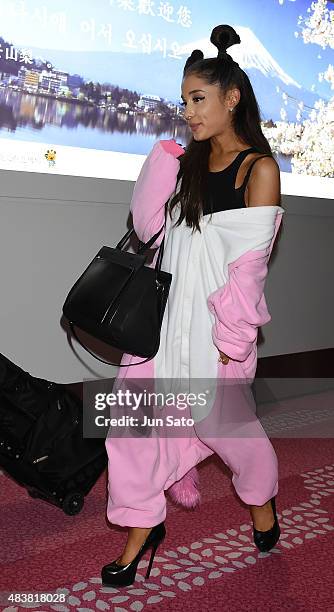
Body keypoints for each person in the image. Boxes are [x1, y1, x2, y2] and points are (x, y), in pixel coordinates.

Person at [102, 24, 285, 587]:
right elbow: (145, 227)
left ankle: (261, 504)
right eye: (184, 102)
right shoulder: (183, 168)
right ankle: (139, 532)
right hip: (162, 330)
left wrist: (232, 344)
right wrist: (163, 160)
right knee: (129, 427)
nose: (188, 112)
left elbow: (248, 271)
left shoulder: (259, 171)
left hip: (214, 335)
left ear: (232, 98)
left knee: (230, 433)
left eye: (198, 99)